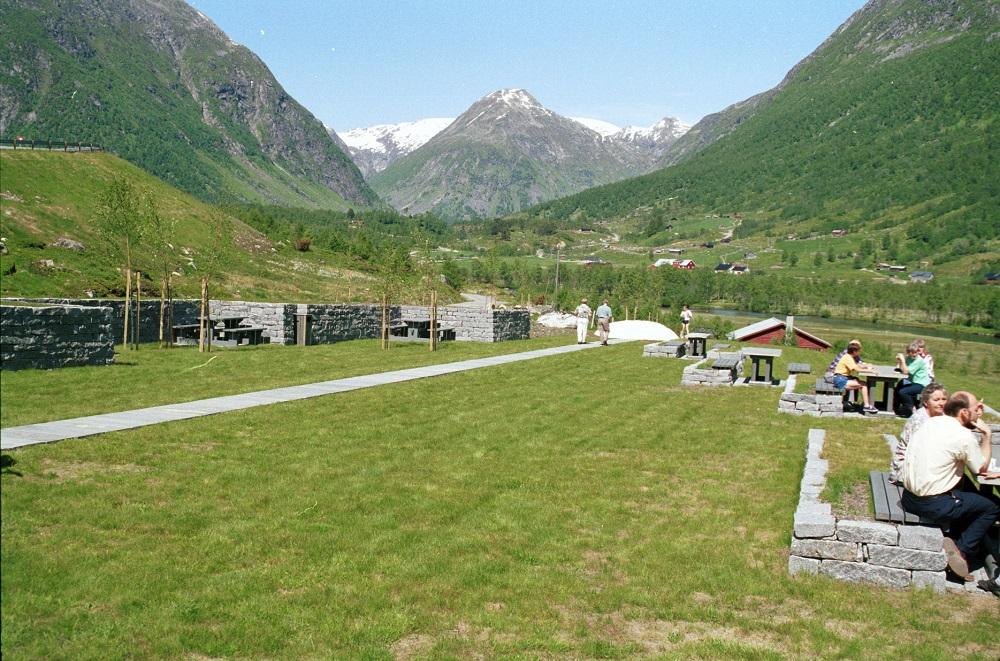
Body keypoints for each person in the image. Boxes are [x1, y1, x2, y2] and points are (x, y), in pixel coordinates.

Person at [901, 391, 999, 581]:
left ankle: (960, 539)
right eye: (977, 408)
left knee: (970, 491)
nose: (980, 412)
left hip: (909, 497)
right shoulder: (962, 436)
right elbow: (980, 468)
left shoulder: (931, 423)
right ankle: (962, 550)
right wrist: (986, 434)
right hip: (934, 503)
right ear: (964, 412)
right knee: (992, 507)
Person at [890, 383, 947, 484]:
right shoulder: (919, 421)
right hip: (906, 468)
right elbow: (917, 452)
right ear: (925, 402)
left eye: (944, 399)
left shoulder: (941, 415)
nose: (941, 403)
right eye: (936, 400)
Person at [833, 342, 879, 414]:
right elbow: (857, 369)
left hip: (841, 378)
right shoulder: (848, 358)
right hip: (840, 380)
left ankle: (863, 403)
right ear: (854, 351)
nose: (859, 353)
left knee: (857, 380)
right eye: (858, 351)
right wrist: (870, 371)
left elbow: (856, 366)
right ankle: (866, 406)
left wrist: (866, 366)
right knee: (863, 384)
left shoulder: (848, 356)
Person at [894, 341, 931, 417]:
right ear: (908, 352)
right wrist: (900, 361)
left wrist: (903, 360)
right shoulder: (909, 358)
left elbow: (906, 371)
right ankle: (896, 408)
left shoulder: (919, 361)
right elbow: (901, 368)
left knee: (903, 392)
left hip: (922, 384)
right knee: (899, 386)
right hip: (913, 382)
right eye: (912, 352)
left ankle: (910, 409)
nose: (914, 354)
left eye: (916, 352)